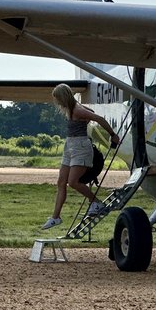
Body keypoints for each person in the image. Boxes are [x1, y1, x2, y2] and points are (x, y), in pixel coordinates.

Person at [41, 83, 119, 230]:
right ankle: (55, 217)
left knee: (73, 182)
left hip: (81, 147)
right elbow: (89, 111)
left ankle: (96, 202)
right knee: (61, 182)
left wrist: (113, 135)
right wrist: (85, 118)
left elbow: (99, 118)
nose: (57, 102)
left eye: (57, 98)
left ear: (63, 97)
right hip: (70, 146)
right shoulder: (72, 108)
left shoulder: (76, 110)